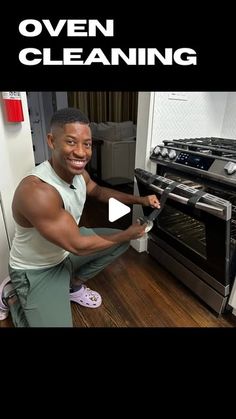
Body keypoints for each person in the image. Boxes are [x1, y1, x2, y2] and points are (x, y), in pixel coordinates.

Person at [0, 107, 160, 327]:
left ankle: (72, 285)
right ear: (51, 141)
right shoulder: (37, 191)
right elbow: (78, 245)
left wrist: (140, 200)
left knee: (119, 242)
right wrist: (127, 233)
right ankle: (12, 298)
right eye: (71, 142)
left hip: (64, 252)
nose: (82, 152)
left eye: (87, 144)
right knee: (122, 237)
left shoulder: (79, 175)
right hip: (36, 270)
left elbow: (100, 192)